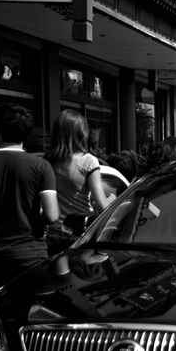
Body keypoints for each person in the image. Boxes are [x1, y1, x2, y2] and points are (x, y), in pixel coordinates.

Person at [0, 102, 59, 294]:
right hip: (31, 254)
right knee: (31, 312)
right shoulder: (41, 166)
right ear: (27, 133)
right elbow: (51, 216)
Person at [43, 109, 113, 255]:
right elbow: (102, 204)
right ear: (81, 133)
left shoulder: (48, 161)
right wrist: (113, 198)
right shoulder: (88, 161)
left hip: (52, 234)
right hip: (79, 233)